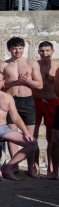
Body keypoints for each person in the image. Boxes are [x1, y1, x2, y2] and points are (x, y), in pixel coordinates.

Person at [0, 71, 39, 181]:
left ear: (3, 82)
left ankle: (8, 168)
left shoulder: (8, 97)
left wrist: (26, 132)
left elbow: (16, 117)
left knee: (32, 143)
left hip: (3, 128)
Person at [0, 36, 42, 174]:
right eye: (14, 48)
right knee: (12, 135)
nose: (17, 51)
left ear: (24, 48)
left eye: (20, 48)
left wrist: (27, 81)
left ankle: (30, 168)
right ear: (9, 49)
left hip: (27, 100)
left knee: (29, 136)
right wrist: (15, 83)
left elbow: (39, 85)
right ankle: (14, 166)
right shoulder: (4, 65)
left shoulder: (31, 63)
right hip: (10, 101)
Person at [35, 41, 59, 174]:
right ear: (38, 52)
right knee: (33, 134)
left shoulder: (57, 66)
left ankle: (51, 167)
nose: (45, 53)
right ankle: (35, 166)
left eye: (47, 50)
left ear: (52, 51)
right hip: (36, 99)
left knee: (52, 136)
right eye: (42, 51)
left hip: (53, 100)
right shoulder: (35, 65)